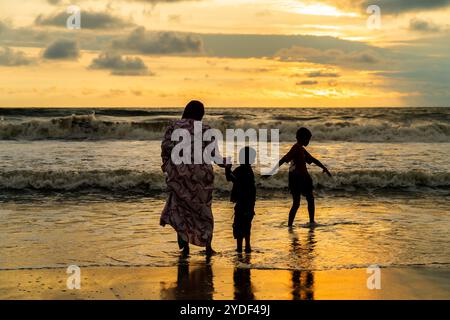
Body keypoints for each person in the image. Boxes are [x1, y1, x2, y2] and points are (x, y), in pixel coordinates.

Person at [160, 100, 224, 255]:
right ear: (201, 114)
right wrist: (227, 165)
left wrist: (170, 166)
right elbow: (214, 156)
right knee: (204, 210)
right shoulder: (206, 129)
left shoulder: (174, 126)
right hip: (202, 178)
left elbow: (166, 148)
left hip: (180, 175)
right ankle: (208, 247)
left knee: (181, 210)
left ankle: (185, 246)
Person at [265, 127, 331, 227]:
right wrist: (270, 172)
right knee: (308, 199)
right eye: (308, 139)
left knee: (298, 203)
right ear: (303, 138)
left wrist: (324, 168)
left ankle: (290, 225)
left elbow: (312, 159)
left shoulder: (301, 149)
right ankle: (310, 221)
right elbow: (283, 160)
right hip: (300, 179)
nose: (308, 141)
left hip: (296, 179)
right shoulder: (296, 148)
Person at [225, 147, 256, 253]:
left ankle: (240, 248)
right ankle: (247, 246)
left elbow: (231, 179)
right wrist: (228, 170)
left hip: (243, 203)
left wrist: (227, 169)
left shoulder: (242, 170)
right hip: (249, 204)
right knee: (246, 225)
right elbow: (232, 179)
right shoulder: (248, 170)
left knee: (239, 225)